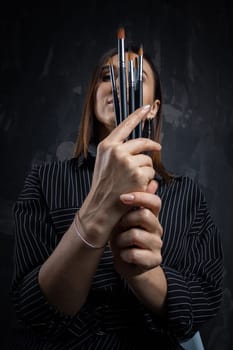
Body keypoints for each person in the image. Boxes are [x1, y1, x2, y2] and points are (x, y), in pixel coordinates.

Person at [11, 44, 224, 349]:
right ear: (93, 96)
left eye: (136, 77)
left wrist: (144, 275)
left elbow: (202, 303)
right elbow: (30, 308)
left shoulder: (188, 195)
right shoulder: (45, 180)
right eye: (107, 76)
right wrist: (94, 217)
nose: (119, 84)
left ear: (153, 107)